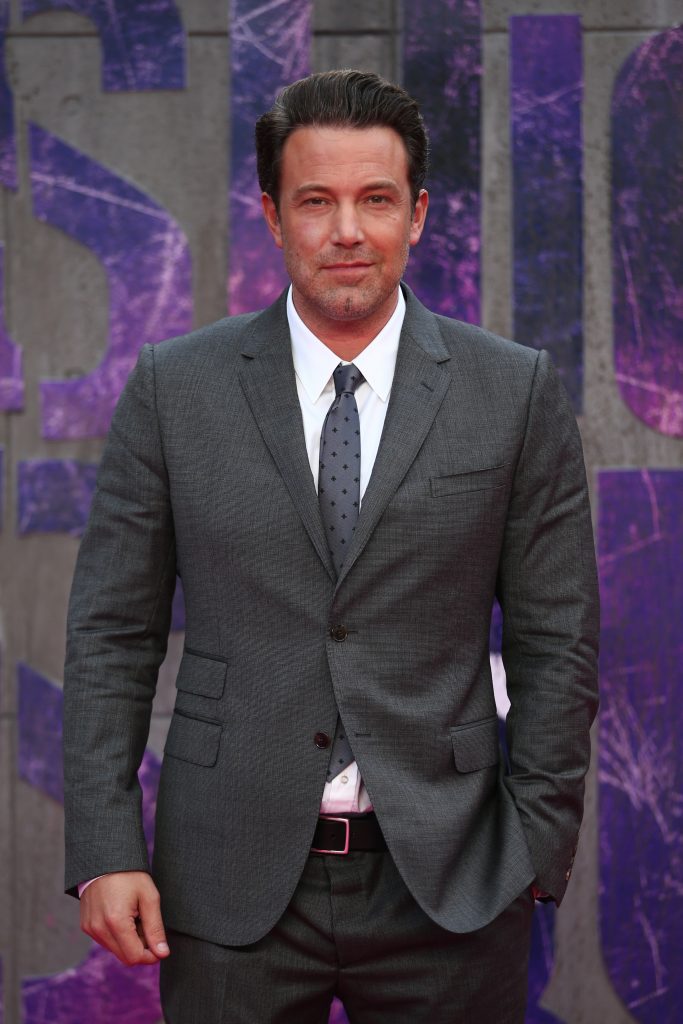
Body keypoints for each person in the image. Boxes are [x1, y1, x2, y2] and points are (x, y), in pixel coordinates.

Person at [63, 69, 600, 1023]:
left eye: (375, 200)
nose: (346, 230)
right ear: (273, 216)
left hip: (452, 883)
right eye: (316, 201)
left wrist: (533, 847)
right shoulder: (173, 390)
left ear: (419, 214)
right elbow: (111, 635)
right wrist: (107, 847)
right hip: (226, 879)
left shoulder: (511, 392)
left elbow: (557, 641)